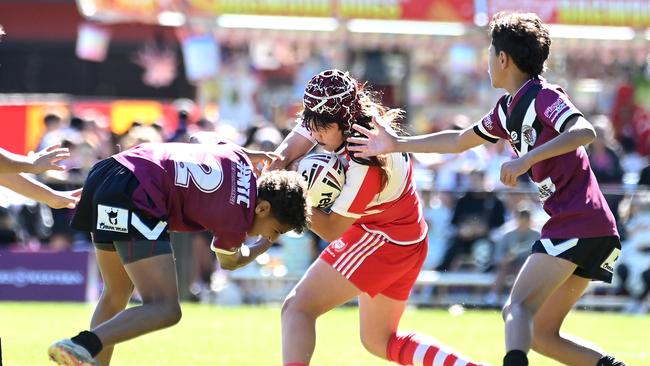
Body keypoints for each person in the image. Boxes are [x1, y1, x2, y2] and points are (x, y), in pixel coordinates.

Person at [346, 11, 626, 366]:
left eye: (489, 53)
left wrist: (526, 160)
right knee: (539, 333)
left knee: (516, 308)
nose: (487, 62)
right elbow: (459, 141)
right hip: (594, 229)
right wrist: (395, 143)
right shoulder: (506, 110)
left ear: (503, 58)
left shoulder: (543, 96)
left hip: (577, 222)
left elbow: (584, 132)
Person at [273, 69, 483, 366]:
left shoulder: (366, 159)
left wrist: (296, 196)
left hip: (383, 240)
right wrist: (275, 171)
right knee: (379, 341)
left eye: (320, 127)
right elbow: (284, 155)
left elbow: (332, 229)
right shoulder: (339, 114)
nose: (314, 133)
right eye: (310, 122)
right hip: (402, 238)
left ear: (343, 123)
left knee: (298, 308)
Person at [48, 135, 311, 366]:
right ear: (263, 208)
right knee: (165, 308)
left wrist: (245, 152)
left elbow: (199, 137)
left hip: (108, 171)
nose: (268, 236)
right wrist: (260, 247)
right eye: (274, 230)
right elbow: (230, 262)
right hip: (138, 191)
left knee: (116, 294)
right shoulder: (238, 219)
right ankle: (82, 345)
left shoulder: (238, 156)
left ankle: (84, 355)